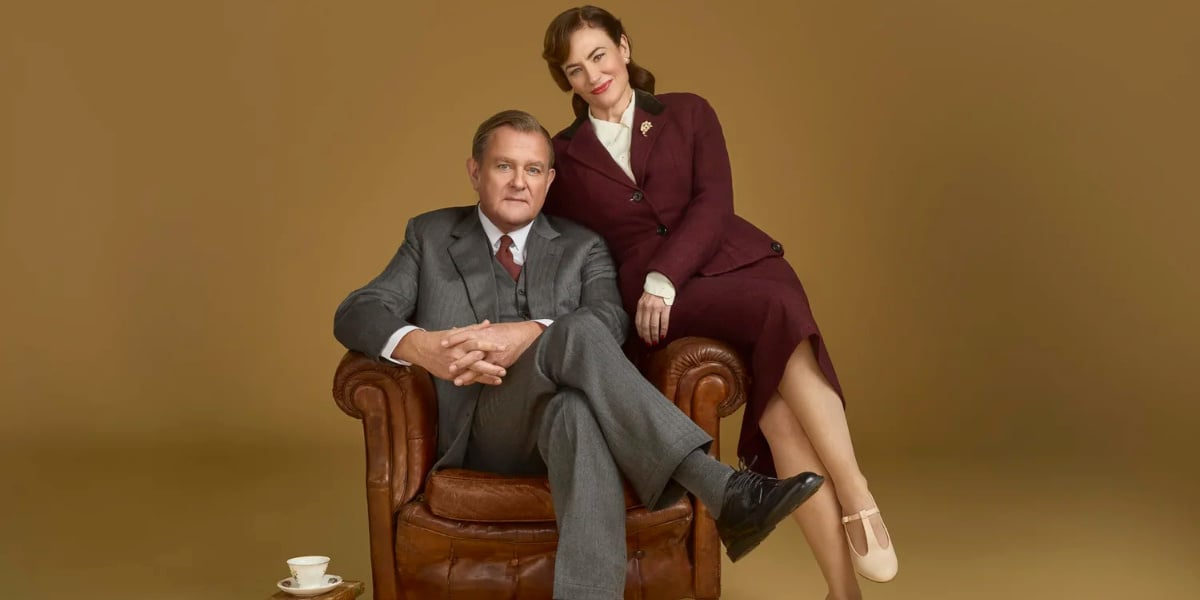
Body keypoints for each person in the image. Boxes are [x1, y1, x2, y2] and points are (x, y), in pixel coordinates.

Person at [333, 109, 824, 600]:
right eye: (504, 167)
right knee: (579, 333)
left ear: (549, 180)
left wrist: (526, 333)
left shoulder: (583, 246)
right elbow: (357, 311)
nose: (518, 183)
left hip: (563, 426)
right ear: (475, 172)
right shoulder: (431, 236)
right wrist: (426, 348)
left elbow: (611, 322)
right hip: (479, 431)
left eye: (532, 170)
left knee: (576, 407)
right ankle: (719, 488)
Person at [539, 6, 899, 596]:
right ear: (567, 82)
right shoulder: (565, 155)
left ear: (624, 48)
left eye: (599, 55)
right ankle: (858, 501)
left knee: (780, 415)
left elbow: (714, 203)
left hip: (734, 264)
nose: (593, 76)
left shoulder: (688, 112)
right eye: (575, 70)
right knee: (777, 317)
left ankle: (848, 561)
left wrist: (665, 275)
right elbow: (554, 242)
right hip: (659, 308)